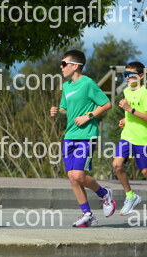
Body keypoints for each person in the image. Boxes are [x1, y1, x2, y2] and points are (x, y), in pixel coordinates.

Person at [50, 50, 114, 227]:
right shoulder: (66, 86)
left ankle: (104, 194)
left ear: (75, 66)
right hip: (69, 135)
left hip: (86, 135)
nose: (61, 67)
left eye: (64, 64)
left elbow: (106, 104)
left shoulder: (88, 83)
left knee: (79, 174)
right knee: (72, 177)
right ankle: (88, 215)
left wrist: (88, 116)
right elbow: (65, 109)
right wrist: (57, 111)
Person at [113, 61, 147, 215]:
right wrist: (125, 120)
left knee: (145, 172)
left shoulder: (145, 94)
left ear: (141, 76)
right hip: (127, 136)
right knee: (117, 165)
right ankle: (130, 196)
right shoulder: (126, 91)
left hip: (143, 139)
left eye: (130, 75)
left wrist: (129, 109)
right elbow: (130, 114)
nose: (126, 77)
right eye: (125, 74)